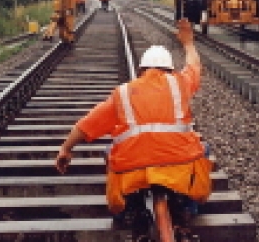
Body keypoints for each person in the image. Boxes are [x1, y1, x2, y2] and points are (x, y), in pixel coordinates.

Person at [55, 18, 212, 239]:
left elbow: (87, 125)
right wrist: (188, 43)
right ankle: (187, 209)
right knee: (203, 149)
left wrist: (66, 148)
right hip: (179, 162)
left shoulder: (123, 93)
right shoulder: (180, 83)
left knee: (109, 152)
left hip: (134, 167)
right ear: (169, 69)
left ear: (141, 70)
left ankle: (129, 210)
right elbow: (194, 65)